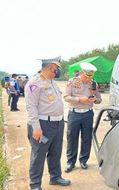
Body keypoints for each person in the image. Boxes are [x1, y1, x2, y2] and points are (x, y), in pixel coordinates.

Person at [25, 56, 71, 190]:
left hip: (57, 124)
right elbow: (31, 106)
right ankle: (35, 185)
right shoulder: (34, 83)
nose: (56, 72)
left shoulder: (52, 82)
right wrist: (36, 128)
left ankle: (55, 177)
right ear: (50, 67)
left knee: (55, 152)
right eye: (55, 69)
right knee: (39, 155)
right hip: (43, 125)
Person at [64, 62, 102, 172]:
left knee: (86, 138)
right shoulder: (72, 82)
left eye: (90, 77)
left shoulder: (94, 83)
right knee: (72, 138)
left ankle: (83, 160)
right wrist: (80, 99)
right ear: (82, 74)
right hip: (74, 113)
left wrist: (95, 100)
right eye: (86, 77)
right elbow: (66, 97)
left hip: (88, 114)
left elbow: (99, 99)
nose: (87, 79)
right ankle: (70, 162)